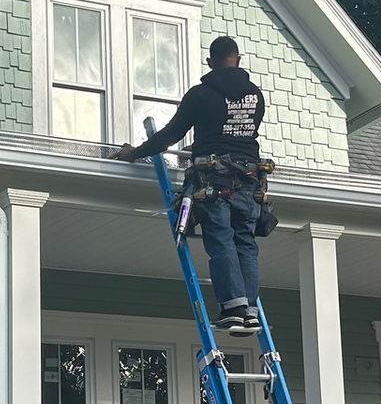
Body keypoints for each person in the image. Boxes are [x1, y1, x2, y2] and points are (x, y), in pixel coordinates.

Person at [114, 36, 268, 337]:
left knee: (222, 239)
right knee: (245, 243)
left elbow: (170, 135)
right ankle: (249, 309)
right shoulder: (256, 96)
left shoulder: (202, 95)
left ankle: (234, 309)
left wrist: (134, 153)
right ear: (238, 59)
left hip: (214, 179)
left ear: (210, 62)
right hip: (250, 179)